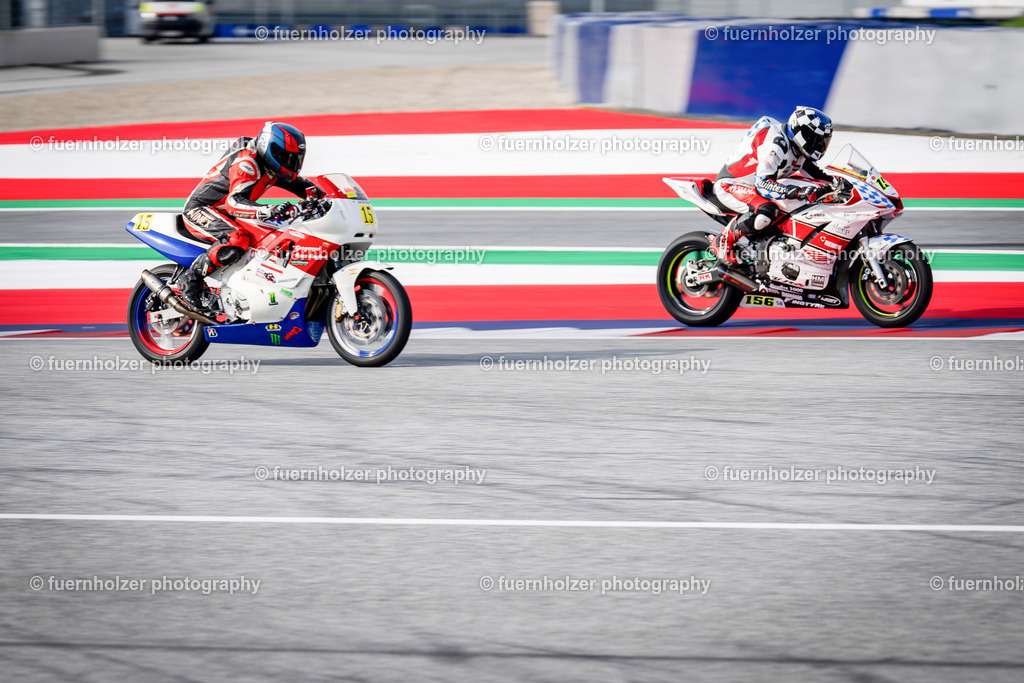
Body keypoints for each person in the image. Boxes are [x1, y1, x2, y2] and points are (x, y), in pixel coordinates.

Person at [177, 121, 325, 312]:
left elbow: (302, 186)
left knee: (273, 235)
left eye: (295, 159)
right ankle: (190, 281)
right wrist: (267, 210)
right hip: (202, 209)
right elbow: (233, 202)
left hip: (228, 213)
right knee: (237, 239)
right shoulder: (247, 163)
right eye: (287, 157)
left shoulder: (272, 164)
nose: (291, 163)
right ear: (271, 149)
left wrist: (327, 199)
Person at [709, 106, 841, 265]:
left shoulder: (799, 149)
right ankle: (722, 241)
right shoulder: (776, 143)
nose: (820, 145)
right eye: (817, 140)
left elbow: (819, 176)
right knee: (766, 211)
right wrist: (796, 192)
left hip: (755, 187)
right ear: (803, 134)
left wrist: (842, 183)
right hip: (732, 185)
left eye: (823, 141)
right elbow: (763, 183)